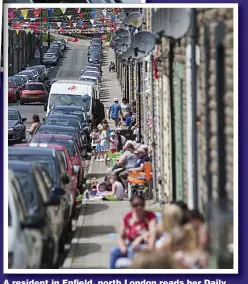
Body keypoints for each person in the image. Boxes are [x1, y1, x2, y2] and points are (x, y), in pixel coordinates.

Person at [109, 195, 157, 269]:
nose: (139, 207)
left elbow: (153, 233)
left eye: (141, 204)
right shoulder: (128, 217)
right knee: (114, 251)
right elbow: (120, 236)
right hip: (130, 246)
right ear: (131, 206)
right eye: (135, 205)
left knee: (134, 251)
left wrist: (144, 241)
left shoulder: (150, 216)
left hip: (144, 246)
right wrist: (122, 247)